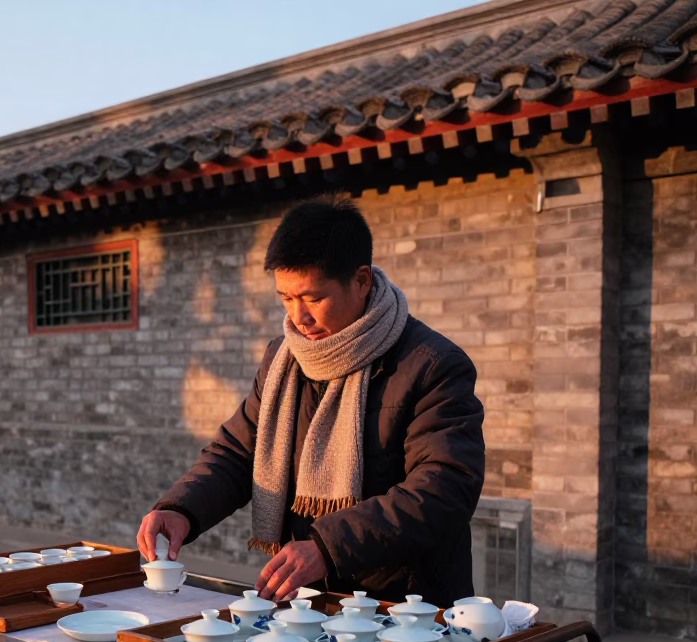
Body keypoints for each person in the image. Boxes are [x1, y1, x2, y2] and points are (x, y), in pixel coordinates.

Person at [137, 195, 485, 606]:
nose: (298, 317)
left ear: (361, 281)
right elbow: (236, 452)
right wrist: (182, 508)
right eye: (286, 298)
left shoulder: (432, 365)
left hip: (406, 608)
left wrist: (327, 546)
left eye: (313, 298)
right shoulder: (284, 359)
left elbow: (444, 488)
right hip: (308, 601)